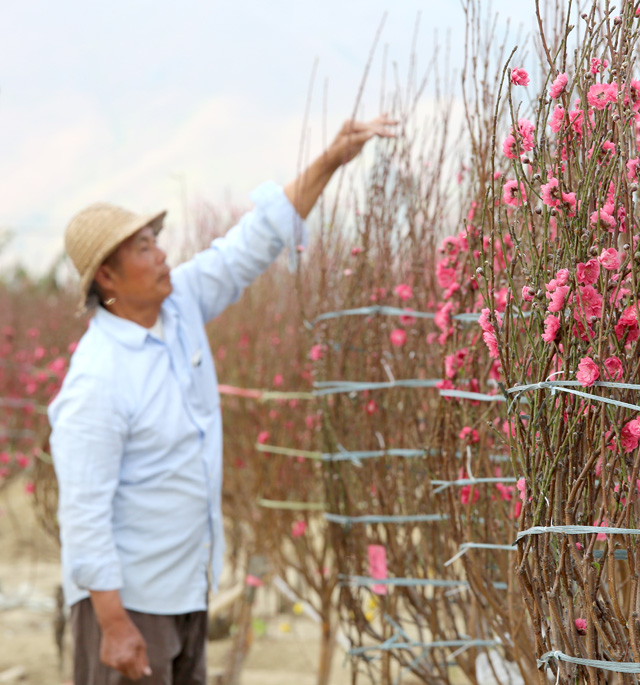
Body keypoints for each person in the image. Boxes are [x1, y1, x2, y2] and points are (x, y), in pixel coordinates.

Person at [48, 115, 396, 684]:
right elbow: (83, 512)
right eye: (143, 247)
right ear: (107, 277)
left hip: (184, 588)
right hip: (129, 603)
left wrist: (330, 160)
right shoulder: (97, 378)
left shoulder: (178, 306)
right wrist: (112, 623)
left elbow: (250, 244)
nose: (161, 255)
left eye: (156, 241)